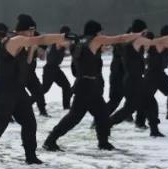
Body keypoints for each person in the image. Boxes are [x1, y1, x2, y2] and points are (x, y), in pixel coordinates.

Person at [0, 14, 68, 166]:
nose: (32, 34)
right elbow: (39, 40)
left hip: (18, 90)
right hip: (4, 91)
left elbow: (26, 63)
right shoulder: (14, 40)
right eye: (30, 31)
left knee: (30, 123)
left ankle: (30, 156)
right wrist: (62, 37)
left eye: (33, 31)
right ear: (21, 31)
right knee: (0, 123)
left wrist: (32, 50)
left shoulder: (22, 43)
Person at [43, 21, 139, 152]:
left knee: (101, 114)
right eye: (100, 32)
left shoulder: (78, 42)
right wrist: (137, 34)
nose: (101, 34)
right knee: (75, 117)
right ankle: (50, 141)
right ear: (96, 32)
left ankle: (103, 143)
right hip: (87, 85)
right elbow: (120, 39)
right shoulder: (95, 40)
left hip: (84, 84)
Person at [108, 24, 168, 137]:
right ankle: (107, 124)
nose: (146, 33)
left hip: (136, 79)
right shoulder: (136, 41)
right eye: (144, 31)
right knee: (130, 108)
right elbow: (156, 42)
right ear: (141, 31)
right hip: (132, 80)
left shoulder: (130, 41)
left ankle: (154, 130)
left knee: (150, 103)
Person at [40, 25, 73, 111]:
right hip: (50, 69)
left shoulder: (62, 42)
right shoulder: (59, 40)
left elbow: (62, 52)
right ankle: (28, 102)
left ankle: (66, 107)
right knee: (44, 89)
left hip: (55, 69)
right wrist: (74, 41)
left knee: (66, 86)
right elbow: (65, 44)